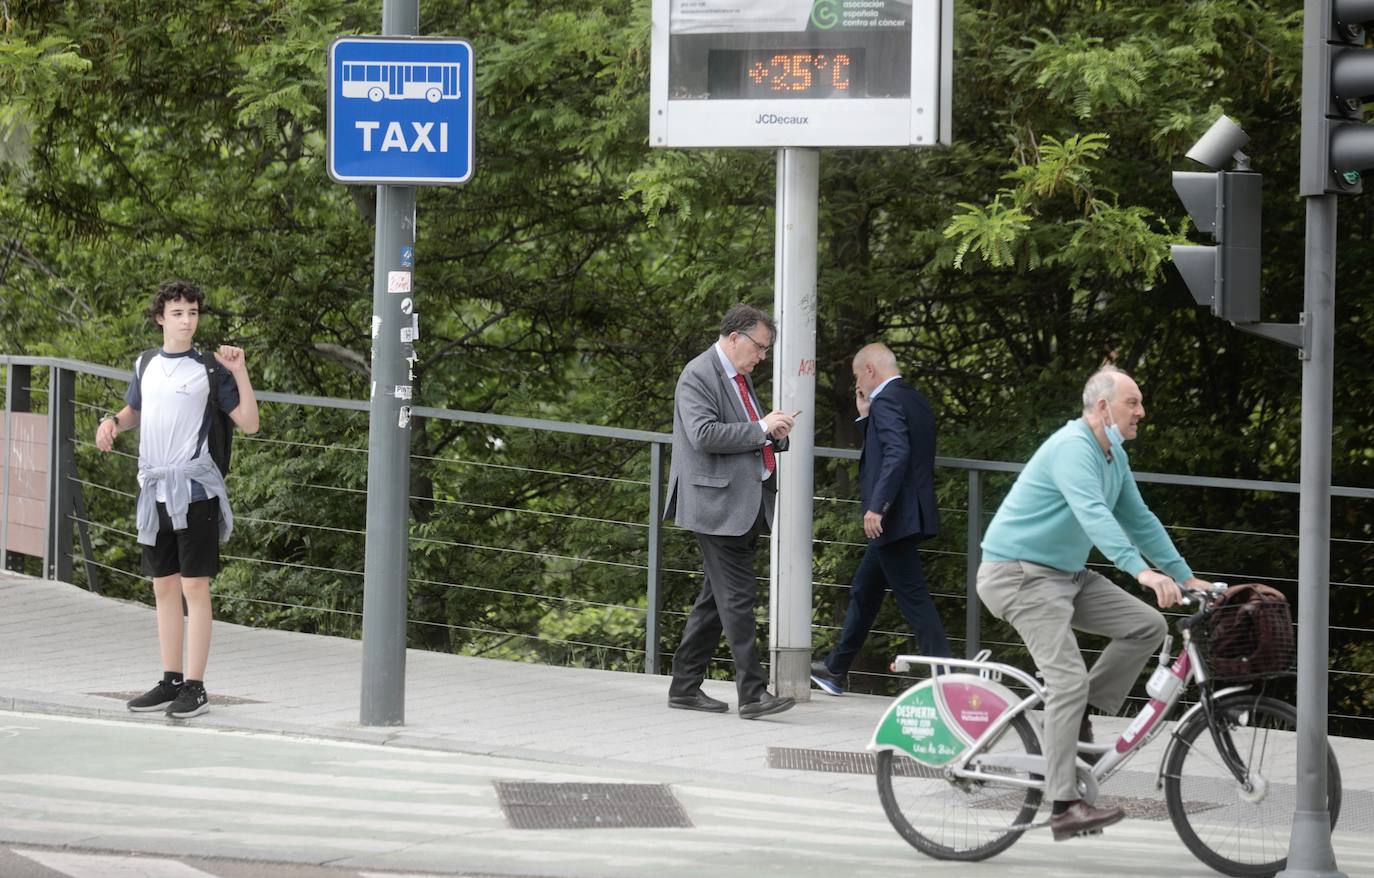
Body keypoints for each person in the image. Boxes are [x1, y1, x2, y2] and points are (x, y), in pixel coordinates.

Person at [975, 364, 1208, 841]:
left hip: (1066, 575)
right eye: (1133, 402)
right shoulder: (1072, 449)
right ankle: (1063, 804)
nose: (1142, 412)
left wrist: (1185, 577)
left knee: (1147, 627)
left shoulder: (1111, 456)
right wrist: (1141, 571)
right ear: (1104, 408)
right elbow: (1095, 516)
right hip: (1019, 575)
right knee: (1066, 679)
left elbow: (1139, 519)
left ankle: (1076, 715)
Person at [94, 280, 260, 719]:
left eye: (192, 312)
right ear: (160, 319)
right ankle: (169, 681)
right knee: (163, 586)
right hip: (154, 490)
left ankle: (196, 686)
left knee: (194, 587)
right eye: (178, 313)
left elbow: (249, 422)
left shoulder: (209, 369)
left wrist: (239, 371)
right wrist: (111, 421)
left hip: (196, 489)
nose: (187, 320)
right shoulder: (146, 363)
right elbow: (136, 410)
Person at [664, 303, 797, 720]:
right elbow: (703, 435)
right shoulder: (698, 374)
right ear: (735, 337)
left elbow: (746, 432)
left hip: (742, 502)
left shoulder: (738, 376)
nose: (762, 356)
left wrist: (772, 434)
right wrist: (760, 428)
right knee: (738, 598)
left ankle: (685, 687)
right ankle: (753, 695)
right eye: (760, 347)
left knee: (715, 599)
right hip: (715, 505)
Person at [810, 343, 950, 696]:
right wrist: (864, 418)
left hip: (892, 517)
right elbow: (892, 445)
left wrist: (878, 506)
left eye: (858, 377)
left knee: (914, 599)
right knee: (865, 590)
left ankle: (949, 682)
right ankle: (836, 669)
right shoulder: (912, 399)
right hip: (908, 514)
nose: (858, 384)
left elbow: (897, 453)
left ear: (870, 370)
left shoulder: (887, 401)